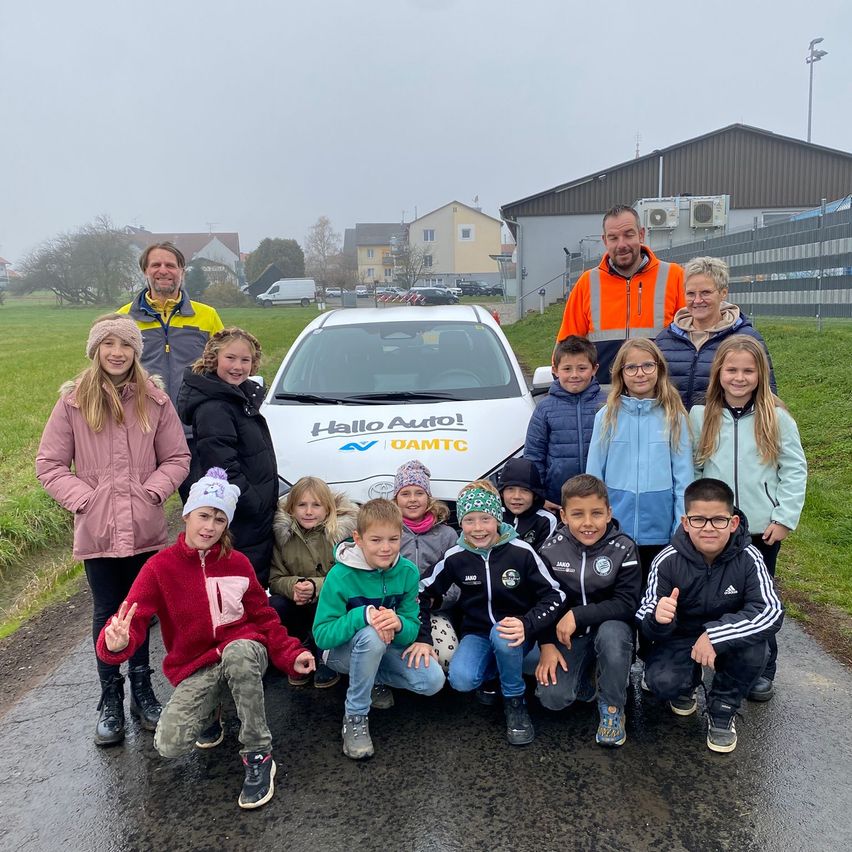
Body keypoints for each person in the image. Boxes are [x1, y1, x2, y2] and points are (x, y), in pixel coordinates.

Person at [96, 468, 315, 809]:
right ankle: (211, 709)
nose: (209, 527)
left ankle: (258, 754)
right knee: (168, 744)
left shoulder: (238, 563)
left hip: (243, 649)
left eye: (218, 519)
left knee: (240, 654)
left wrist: (290, 653)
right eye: (203, 516)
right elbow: (131, 620)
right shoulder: (158, 568)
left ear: (226, 524)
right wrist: (116, 643)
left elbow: (264, 616)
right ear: (186, 515)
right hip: (197, 664)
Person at [35, 313, 190, 746]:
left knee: (138, 610)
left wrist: (153, 493)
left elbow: (177, 458)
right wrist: (85, 499)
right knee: (107, 610)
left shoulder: (155, 401)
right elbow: (48, 464)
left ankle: (142, 691)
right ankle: (110, 698)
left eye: (125, 345)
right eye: (108, 345)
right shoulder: (72, 403)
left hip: (144, 527)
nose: (116, 353)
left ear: (135, 353)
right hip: (98, 530)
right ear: (96, 350)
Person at [688, 336, 806, 702]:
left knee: (759, 600)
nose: (739, 378)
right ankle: (709, 658)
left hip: (759, 529)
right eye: (732, 369)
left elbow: (795, 469)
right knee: (711, 596)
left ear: (760, 374)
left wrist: (784, 517)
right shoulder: (700, 415)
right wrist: (694, 519)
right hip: (714, 528)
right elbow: (692, 469)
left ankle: (760, 669)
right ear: (719, 372)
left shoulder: (777, 416)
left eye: (748, 371)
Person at [637, 479, 784, 753]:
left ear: (733, 523)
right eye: (698, 520)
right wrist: (658, 618)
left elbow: (770, 610)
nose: (708, 528)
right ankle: (685, 686)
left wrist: (716, 635)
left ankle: (723, 708)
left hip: (728, 640)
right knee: (662, 681)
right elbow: (645, 614)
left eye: (718, 520)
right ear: (685, 522)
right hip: (682, 637)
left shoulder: (750, 557)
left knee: (756, 650)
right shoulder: (666, 559)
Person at [419, 481, 565, 747]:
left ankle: (515, 699)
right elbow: (420, 592)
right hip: (477, 632)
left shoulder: (522, 551)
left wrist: (528, 623)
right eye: (469, 520)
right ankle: (495, 675)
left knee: (503, 634)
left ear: (497, 518)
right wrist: (423, 637)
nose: (478, 528)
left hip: (518, 632)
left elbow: (555, 594)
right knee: (462, 680)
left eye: (485, 519)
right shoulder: (455, 556)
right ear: (460, 523)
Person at [312, 499, 446, 760]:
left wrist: (399, 623)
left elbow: (410, 628)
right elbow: (322, 636)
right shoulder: (340, 575)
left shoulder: (407, 572)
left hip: (383, 649)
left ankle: (373, 678)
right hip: (340, 653)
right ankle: (355, 715)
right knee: (372, 634)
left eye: (393, 539)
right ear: (358, 539)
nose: (386, 548)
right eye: (376, 540)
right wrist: (362, 615)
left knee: (432, 681)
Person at [535, 474, 641, 747]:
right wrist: (546, 644)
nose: (588, 523)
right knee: (553, 699)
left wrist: (578, 614)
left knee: (613, 635)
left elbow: (627, 604)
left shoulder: (624, 548)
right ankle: (590, 674)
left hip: (612, 630)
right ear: (563, 516)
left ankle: (613, 709)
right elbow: (540, 601)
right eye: (578, 514)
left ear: (609, 513)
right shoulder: (549, 549)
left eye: (596, 513)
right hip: (570, 637)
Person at [118, 241, 224, 500]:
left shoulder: (207, 316)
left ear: (182, 271)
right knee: (139, 506)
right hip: (143, 430)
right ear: (145, 271)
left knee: (203, 506)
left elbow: (224, 368)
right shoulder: (122, 320)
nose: (163, 270)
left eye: (171, 265)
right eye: (156, 264)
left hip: (194, 431)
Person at [586, 338, 693, 582]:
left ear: (659, 368)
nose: (640, 373)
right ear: (621, 373)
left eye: (647, 365)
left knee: (654, 594)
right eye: (631, 367)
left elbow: (683, 478)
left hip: (660, 530)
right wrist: (597, 521)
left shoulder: (674, 417)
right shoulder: (606, 416)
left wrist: (680, 527)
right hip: (615, 531)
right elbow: (594, 476)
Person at [177, 328, 277, 586]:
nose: (238, 366)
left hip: (251, 517)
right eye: (230, 358)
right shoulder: (215, 407)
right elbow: (222, 466)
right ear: (214, 358)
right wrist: (255, 504)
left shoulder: (236, 396)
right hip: (242, 518)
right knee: (240, 588)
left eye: (245, 360)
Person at [556, 205, 685, 384]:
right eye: (613, 238)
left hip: (658, 399)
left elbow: (691, 341)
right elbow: (566, 347)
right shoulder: (587, 283)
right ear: (605, 240)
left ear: (641, 234)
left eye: (628, 235)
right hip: (603, 400)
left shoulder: (674, 276)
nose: (621, 244)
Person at [267, 476, 358, 688]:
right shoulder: (282, 536)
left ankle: (326, 652)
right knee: (276, 605)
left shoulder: (342, 535)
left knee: (329, 603)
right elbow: (274, 579)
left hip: (330, 604)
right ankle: (300, 649)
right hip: (298, 602)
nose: (309, 512)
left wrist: (316, 586)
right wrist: (294, 587)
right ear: (291, 508)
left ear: (328, 508)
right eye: (302, 505)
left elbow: (351, 577)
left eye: (316, 505)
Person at [655, 256, 777, 409]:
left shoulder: (747, 338)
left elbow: (767, 392)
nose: (697, 300)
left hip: (723, 430)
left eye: (705, 293)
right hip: (676, 429)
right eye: (691, 293)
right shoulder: (665, 339)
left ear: (723, 293)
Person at [393, 460, 460, 673]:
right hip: (393, 609)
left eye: (419, 493)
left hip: (432, 611)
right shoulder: (388, 530)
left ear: (428, 498)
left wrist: (436, 600)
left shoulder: (447, 534)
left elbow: (457, 583)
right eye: (405, 494)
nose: (412, 499)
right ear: (396, 499)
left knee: (447, 656)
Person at [524, 335, 605, 509]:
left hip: (602, 497)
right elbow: (534, 456)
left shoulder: (608, 404)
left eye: (582, 368)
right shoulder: (544, 408)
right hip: (557, 499)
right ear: (555, 369)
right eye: (567, 369)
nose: (574, 375)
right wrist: (539, 497)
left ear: (594, 368)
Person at [498, 457, 557, 551]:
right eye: (510, 489)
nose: (517, 496)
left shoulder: (546, 520)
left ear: (535, 495)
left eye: (525, 490)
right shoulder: (494, 516)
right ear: (501, 493)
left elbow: (541, 560)